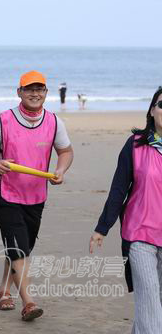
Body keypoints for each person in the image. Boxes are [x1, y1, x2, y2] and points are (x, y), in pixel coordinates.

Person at [0, 70, 73, 321]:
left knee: (21, 247)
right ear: (19, 92)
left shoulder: (54, 122)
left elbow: (65, 151)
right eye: (29, 89)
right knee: (18, 247)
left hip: (36, 195)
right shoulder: (3, 120)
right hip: (5, 193)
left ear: (46, 93)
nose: (34, 93)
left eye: (39, 89)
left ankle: (4, 290)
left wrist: (60, 170)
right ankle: (28, 302)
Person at [90, 87, 162, 333]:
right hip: (139, 234)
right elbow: (119, 188)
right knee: (149, 298)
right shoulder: (135, 145)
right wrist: (102, 228)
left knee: (156, 304)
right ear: (152, 111)